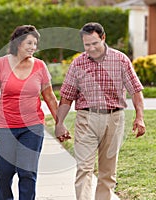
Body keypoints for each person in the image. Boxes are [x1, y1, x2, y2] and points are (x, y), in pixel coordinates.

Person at [55, 22, 146, 200]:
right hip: (86, 118)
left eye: (95, 43)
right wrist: (59, 123)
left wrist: (140, 117)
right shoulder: (78, 63)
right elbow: (67, 96)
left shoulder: (120, 60)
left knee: (107, 172)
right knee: (84, 168)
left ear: (103, 38)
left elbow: (136, 90)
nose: (91, 48)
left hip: (114, 119)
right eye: (87, 45)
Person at [0, 25, 62, 200]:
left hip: (32, 128)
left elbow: (49, 97)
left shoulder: (40, 66)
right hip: (4, 127)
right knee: (4, 172)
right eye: (29, 43)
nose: (33, 47)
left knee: (27, 172)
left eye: (35, 43)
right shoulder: (2, 64)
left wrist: (60, 124)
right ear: (18, 43)